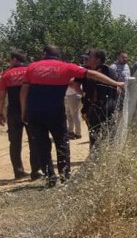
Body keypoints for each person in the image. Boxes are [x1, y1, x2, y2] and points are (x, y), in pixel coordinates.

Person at [21, 45, 124, 186]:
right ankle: (65, 177)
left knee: (42, 145)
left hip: (34, 112)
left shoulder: (32, 67)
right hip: (55, 113)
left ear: (44, 54)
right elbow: (93, 74)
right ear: (58, 55)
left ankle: (50, 178)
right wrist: (116, 83)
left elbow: (24, 91)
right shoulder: (66, 66)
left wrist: (23, 111)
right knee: (61, 143)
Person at [0, 51, 40, 180]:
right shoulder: (31, 71)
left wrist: (0, 112)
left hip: (13, 112)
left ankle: (18, 171)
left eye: (10, 60)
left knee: (15, 142)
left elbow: (1, 96)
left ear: (14, 60)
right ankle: (35, 171)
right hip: (31, 111)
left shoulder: (6, 74)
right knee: (34, 140)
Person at [80, 49, 120, 149]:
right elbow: (74, 83)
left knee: (110, 135)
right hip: (91, 108)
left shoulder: (109, 71)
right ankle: (94, 159)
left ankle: (108, 158)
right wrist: (84, 95)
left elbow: (116, 90)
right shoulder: (84, 70)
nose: (86, 58)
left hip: (107, 108)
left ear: (98, 60)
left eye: (90, 56)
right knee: (93, 135)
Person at [65, 59, 84, 140]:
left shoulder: (76, 71)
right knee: (70, 114)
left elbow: (71, 84)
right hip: (69, 95)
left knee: (74, 115)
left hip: (73, 95)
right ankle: (70, 131)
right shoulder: (75, 71)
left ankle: (78, 133)